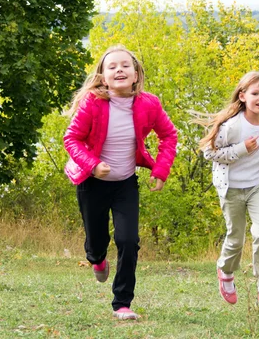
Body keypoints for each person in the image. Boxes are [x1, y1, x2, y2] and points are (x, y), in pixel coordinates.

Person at [64, 45, 177, 320]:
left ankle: (122, 303)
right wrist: (93, 165)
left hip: (125, 183)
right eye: (112, 66)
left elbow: (169, 136)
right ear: (103, 76)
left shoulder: (150, 103)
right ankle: (97, 259)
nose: (119, 70)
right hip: (92, 183)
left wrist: (160, 171)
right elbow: (72, 139)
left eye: (126, 66)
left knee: (128, 240)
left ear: (136, 74)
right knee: (97, 242)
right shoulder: (92, 102)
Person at [199, 70, 259, 307]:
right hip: (232, 189)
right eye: (255, 93)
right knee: (235, 239)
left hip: (257, 187)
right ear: (243, 96)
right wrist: (242, 149)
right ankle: (225, 272)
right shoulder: (232, 126)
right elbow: (210, 153)